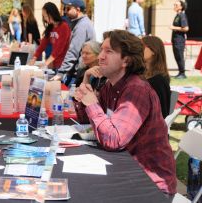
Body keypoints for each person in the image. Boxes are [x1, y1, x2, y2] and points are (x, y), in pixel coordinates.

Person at [74, 30, 176, 196]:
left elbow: (113, 140)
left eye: (109, 51)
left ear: (126, 60)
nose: (100, 57)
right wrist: (84, 98)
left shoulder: (137, 91)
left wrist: (92, 104)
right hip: (126, 170)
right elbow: (88, 121)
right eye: (101, 50)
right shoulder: (111, 86)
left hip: (150, 184)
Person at [52, 0, 95, 85]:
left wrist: (61, 72)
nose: (65, 11)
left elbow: (73, 52)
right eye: (64, 8)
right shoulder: (79, 23)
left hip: (80, 72)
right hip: (78, 70)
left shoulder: (82, 26)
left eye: (68, 9)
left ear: (78, 9)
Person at [28, 2, 71, 70]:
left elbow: (59, 49)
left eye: (45, 16)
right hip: (54, 63)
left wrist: (46, 63)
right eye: (43, 16)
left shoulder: (64, 27)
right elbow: (43, 44)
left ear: (51, 14)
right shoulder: (51, 27)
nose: (44, 19)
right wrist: (34, 58)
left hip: (62, 65)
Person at [170, 0, 189, 79]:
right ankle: (180, 72)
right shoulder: (177, 15)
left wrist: (174, 27)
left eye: (176, 5)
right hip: (175, 40)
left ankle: (182, 73)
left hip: (179, 40)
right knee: (177, 56)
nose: (174, 6)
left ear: (181, 7)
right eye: (174, 5)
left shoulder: (182, 15)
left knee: (180, 56)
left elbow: (186, 28)